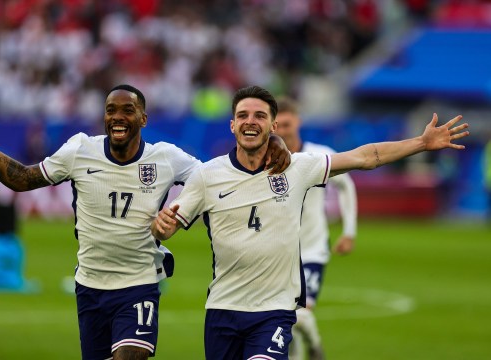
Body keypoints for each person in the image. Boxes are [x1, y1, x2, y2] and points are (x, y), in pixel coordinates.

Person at [0, 85, 291, 360]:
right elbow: (22, 179)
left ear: (143, 118)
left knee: (130, 356)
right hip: (90, 285)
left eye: (127, 111)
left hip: (139, 284)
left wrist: (268, 142)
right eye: (111, 110)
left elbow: (219, 177)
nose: (118, 117)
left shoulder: (166, 158)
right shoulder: (79, 151)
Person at [151, 85, 469, 360]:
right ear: (233, 124)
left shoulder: (298, 168)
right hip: (222, 309)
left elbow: (364, 157)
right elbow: (167, 226)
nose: (251, 121)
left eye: (260, 116)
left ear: (273, 125)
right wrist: (163, 226)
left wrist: (420, 143)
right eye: (244, 115)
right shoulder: (207, 176)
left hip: (274, 310)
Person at [275, 96, 357, 360]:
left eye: (287, 124)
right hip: (277, 253)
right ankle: (310, 347)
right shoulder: (267, 159)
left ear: (297, 122)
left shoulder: (319, 155)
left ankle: (315, 345)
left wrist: (349, 231)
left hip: (311, 250)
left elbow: (347, 186)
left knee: (299, 314)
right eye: (278, 125)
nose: (282, 131)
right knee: (282, 318)